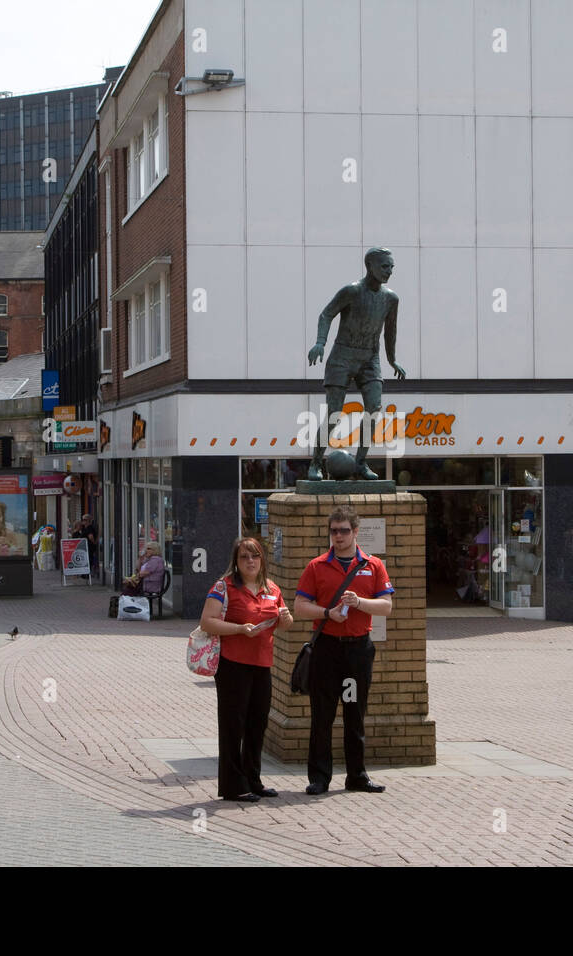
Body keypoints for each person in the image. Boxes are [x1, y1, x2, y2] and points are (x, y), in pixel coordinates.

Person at [293, 506, 395, 795]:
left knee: (355, 712)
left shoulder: (373, 565)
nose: (338, 536)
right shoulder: (317, 566)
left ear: (355, 532)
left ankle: (357, 776)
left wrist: (360, 602)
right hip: (326, 648)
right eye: (334, 531)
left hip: (358, 650)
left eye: (344, 530)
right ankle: (319, 778)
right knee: (322, 714)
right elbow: (300, 606)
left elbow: (386, 606)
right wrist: (327, 613)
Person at [198, 537, 294, 802]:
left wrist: (286, 619)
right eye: (244, 557)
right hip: (232, 665)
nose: (250, 562)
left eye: (255, 556)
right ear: (236, 562)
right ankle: (232, 786)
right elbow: (207, 622)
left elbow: (283, 621)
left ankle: (253, 780)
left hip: (262, 665)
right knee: (233, 726)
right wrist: (240, 629)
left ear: (262, 560)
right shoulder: (224, 586)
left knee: (257, 724)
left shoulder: (271, 588)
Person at [305, 247, 408, 480]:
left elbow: (390, 331)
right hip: (342, 356)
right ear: (369, 265)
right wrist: (320, 342)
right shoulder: (351, 291)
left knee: (373, 409)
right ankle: (315, 464)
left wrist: (392, 360)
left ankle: (361, 462)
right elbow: (326, 314)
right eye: (384, 266)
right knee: (334, 413)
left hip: (370, 358)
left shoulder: (390, 298)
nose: (389, 271)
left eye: (391, 267)